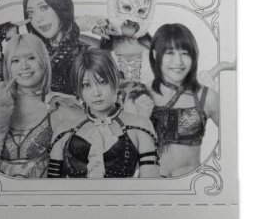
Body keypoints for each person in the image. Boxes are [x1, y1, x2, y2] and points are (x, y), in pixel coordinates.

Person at [0, 33, 79, 178]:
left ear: (43, 61)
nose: (24, 66)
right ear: (8, 67)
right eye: (15, 60)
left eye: (31, 58)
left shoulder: (62, 107)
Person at [48, 49, 159, 179]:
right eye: (86, 85)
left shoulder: (141, 126)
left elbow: (150, 185)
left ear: (116, 81)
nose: (96, 93)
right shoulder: (63, 131)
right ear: (78, 89)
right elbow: (51, 187)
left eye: (103, 82)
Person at [0, 0, 85, 97]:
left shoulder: (85, 54)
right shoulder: (31, 50)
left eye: (44, 7)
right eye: (31, 12)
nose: (38, 19)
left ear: (61, 5)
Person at [148, 24, 220, 178]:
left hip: (190, 186)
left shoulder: (207, 97)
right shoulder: (140, 94)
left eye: (185, 53)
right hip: (149, 186)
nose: (178, 61)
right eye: (170, 53)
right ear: (155, 55)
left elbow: (234, 136)